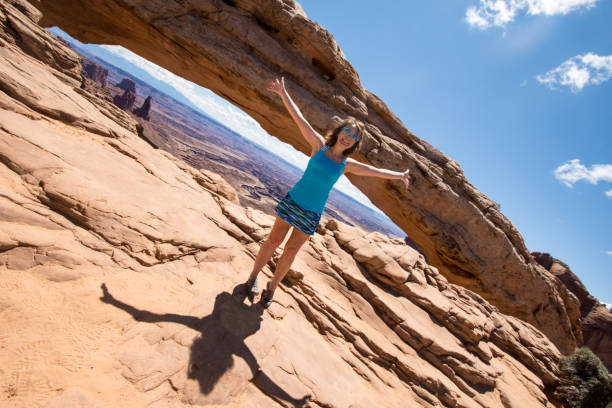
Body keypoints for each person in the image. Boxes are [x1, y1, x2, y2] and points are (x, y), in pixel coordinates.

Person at [246, 77, 410, 308]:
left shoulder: (346, 164)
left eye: (354, 136)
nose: (349, 136)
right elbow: (300, 119)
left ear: (354, 143)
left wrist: (399, 175)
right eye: (347, 131)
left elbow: (375, 171)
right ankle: (253, 277)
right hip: (294, 200)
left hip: (312, 212)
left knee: (290, 252)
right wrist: (283, 93)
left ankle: (271, 288)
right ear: (339, 130)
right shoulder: (318, 146)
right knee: (273, 241)